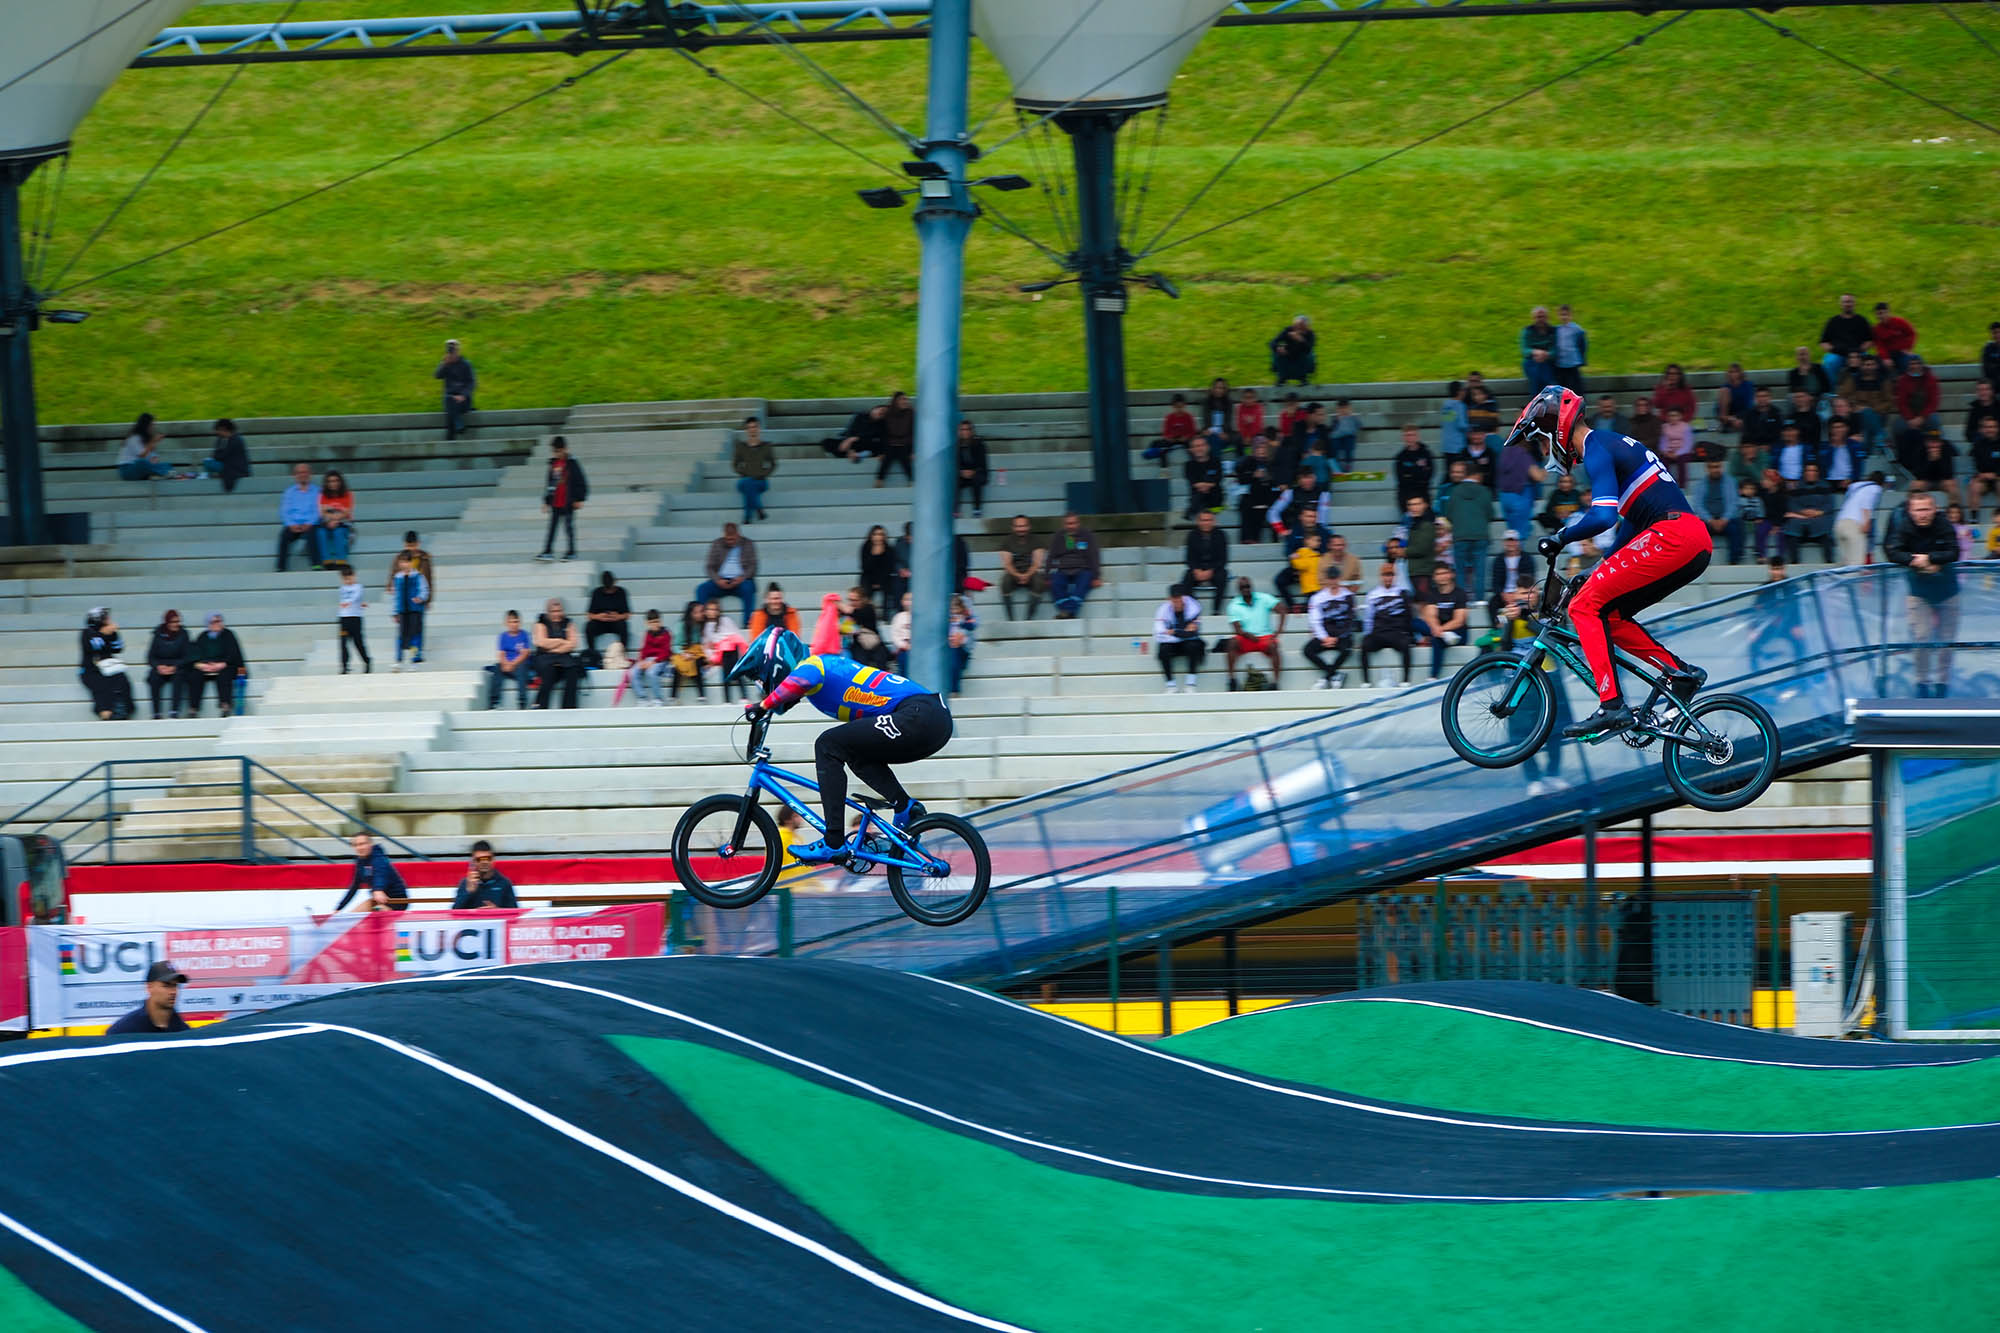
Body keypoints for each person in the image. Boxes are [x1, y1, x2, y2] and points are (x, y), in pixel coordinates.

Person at [1506, 386, 1710, 739]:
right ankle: (1680, 674)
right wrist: (1596, 567)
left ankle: (1611, 706)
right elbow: (1629, 525)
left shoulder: (1596, 447)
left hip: (1673, 536)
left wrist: (1560, 537)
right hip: (1687, 540)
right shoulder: (1613, 446)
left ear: (1555, 429)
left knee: (1583, 606)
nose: (1544, 453)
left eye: (1541, 443)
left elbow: (1603, 517)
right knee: (1608, 614)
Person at [738, 630, 953, 862]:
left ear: (778, 662)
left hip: (920, 714)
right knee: (854, 753)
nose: (765, 684)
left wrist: (763, 705)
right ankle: (905, 808)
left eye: (763, 678)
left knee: (827, 744)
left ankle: (833, 842)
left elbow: (800, 680)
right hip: (932, 721)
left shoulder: (814, 664)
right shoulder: (816, 689)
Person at [1884, 489, 1959, 697]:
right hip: (1919, 590)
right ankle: (1922, 683)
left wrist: (1931, 559)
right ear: (1911, 511)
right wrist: (1915, 561)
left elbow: (1954, 551)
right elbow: (1892, 551)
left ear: (1934, 509)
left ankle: (1942, 684)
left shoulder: (1943, 523)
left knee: (1947, 640)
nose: (1923, 514)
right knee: (1921, 637)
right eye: (1918, 510)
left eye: (1926, 509)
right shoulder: (1905, 526)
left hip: (1948, 591)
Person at [1441, 459, 1494, 603]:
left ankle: (1461, 600)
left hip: (1460, 536)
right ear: (1477, 475)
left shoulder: (1455, 491)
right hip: (1480, 535)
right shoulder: (1484, 491)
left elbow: (1449, 514)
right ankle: (1480, 599)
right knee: (1480, 569)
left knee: (1460, 570)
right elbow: (1490, 514)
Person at [1222, 575, 1284, 690]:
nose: (1245, 589)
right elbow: (1237, 630)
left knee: (1274, 646)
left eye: (1247, 586)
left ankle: (1275, 683)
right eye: (1242, 587)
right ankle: (1232, 680)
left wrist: (1278, 632)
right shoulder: (1233, 605)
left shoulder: (1263, 598)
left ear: (1252, 586)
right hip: (1246, 638)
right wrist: (1248, 635)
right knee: (1231, 643)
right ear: (1238, 589)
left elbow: (1282, 609)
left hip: (1265, 637)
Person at [1359, 562, 1415, 685]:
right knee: (1364, 645)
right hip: (1379, 633)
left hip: (1396, 632)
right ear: (1381, 576)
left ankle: (1405, 680)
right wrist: (1367, 633)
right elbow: (1368, 617)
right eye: (1385, 575)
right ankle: (1366, 681)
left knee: (1406, 645)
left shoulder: (1402, 593)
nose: (1388, 578)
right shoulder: (1372, 594)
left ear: (1395, 577)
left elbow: (1408, 615)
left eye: (1390, 575)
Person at [538, 436, 589, 562]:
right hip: (556, 502)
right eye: (555, 451)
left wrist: (579, 499)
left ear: (566, 449)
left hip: (568, 502)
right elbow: (550, 484)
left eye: (559, 451)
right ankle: (548, 551)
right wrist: (546, 501)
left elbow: (581, 481)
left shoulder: (572, 463)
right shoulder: (554, 464)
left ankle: (571, 552)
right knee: (552, 528)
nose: (557, 454)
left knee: (568, 527)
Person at [185, 613, 245, 718]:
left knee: (224, 675)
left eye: (219, 621)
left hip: (225, 665)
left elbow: (234, 654)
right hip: (206, 666)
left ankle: (225, 706)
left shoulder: (229, 634)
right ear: (208, 624)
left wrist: (222, 664)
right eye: (215, 622)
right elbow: (194, 654)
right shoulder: (202, 636)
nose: (218, 624)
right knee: (195, 675)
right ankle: (193, 708)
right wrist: (201, 665)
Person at [106, 961, 191, 1034]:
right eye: (166, 985)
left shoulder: (183, 1030)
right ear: (149, 987)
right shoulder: (124, 1029)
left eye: (175, 985)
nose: (173, 992)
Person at [79, 608, 133, 721]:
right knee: (102, 687)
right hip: (90, 670)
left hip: (109, 667)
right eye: (106, 618)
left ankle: (125, 709)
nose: (109, 620)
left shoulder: (110, 632)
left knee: (123, 681)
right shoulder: (87, 633)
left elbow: (118, 648)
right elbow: (93, 647)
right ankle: (105, 713)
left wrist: (114, 634)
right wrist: (103, 634)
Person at [698, 521, 758, 622]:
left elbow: (753, 566)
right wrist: (718, 580)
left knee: (749, 588)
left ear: (738, 535)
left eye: (733, 539)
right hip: (721, 581)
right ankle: (704, 621)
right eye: (727, 539)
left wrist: (742, 578)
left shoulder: (748, 544)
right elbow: (709, 567)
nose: (730, 541)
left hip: (741, 581)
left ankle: (747, 623)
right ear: (723, 535)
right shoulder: (717, 544)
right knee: (702, 589)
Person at [1689, 458, 1745, 565]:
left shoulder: (1730, 482)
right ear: (1707, 469)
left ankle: (1734, 561)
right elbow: (1698, 505)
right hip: (1708, 520)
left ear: (1722, 467)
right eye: (1712, 467)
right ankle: (1700, 563)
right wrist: (1710, 520)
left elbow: (1733, 503)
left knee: (1738, 526)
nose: (1715, 470)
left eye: (1717, 467)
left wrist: (1724, 519)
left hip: (1727, 520)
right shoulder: (1701, 484)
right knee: (1695, 529)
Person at [1046, 512, 1101, 619]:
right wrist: (1046, 575)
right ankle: (1069, 611)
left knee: (1085, 580)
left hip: (1082, 569)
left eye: (1073, 523)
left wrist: (1096, 576)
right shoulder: (1059, 536)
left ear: (1078, 523)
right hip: (1063, 569)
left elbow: (1093, 555)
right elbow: (1051, 556)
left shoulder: (1087, 535)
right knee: (1054, 583)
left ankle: (1067, 612)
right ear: (1064, 524)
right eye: (1068, 524)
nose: (1071, 526)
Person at [1419, 564, 1469, 680]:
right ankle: (1444, 636)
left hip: (1458, 632)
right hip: (1440, 631)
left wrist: (1440, 630)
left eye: (1444, 573)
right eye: (1438, 574)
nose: (1442, 577)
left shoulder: (1460, 593)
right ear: (1434, 577)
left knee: (1436, 639)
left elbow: (1459, 620)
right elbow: (1431, 616)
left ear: (1451, 574)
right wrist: (1438, 629)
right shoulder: (1433, 594)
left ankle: (1433, 676)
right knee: (1415, 623)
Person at [1152, 583, 1205, 693]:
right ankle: (1170, 685)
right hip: (1172, 643)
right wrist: (1182, 633)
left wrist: (1174, 632)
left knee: (1193, 645)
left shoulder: (1194, 607)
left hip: (1188, 643)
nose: (1177, 602)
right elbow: (1159, 634)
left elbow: (1193, 633)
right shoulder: (1162, 610)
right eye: (1174, 599)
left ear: (1183, 597)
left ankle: (1191, 683)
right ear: (1169, 599)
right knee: (1163, 649)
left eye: (1179, 598)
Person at [1303, 577, 1354, 689]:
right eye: (1331, 578)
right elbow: (1315, 620)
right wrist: (1324, 637)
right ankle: (1335, 674)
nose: (1333, 581)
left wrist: (1337, 637)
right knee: (1307, 650)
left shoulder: (1348, 596)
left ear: (1339, 579)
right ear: (1326, 580)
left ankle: (1326, 677)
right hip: (1325, 635)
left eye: (1335, 578)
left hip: (1342, 635)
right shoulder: (1317, 598)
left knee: (1347, 649)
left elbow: (1350, 619)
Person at [336, 832, 408, 911]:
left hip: (396, 901)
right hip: (377, 900)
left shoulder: (379, 859)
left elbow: (380, 873)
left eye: (362, 844)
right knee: (353, 916)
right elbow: (354, 887)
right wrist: (339, 908)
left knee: (377, 912)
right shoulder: (360, 862)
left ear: (370, 844)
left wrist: (378, 889)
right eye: (355, 845)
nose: (359, 848)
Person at [1783, 462, 1836, 562]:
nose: (1811, 473)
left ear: (1817, 472)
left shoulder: (1825, 485)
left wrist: (1819, 512)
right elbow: (1792, 504)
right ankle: (1794, 562)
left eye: (1814, 470)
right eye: (1808, 470)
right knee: (1791, 526)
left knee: (1825, 527)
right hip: (1801, 519)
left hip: (1819, 518)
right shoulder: (1797, 486)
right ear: (1804, 472)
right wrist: (1803, 512)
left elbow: (1829, 504)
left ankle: (1829, 562)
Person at [997, 515, 1045, 620]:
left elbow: (1037, 563)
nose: (1021, 529)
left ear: (1029, 526)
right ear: (1013, 527)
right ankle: (1011, 619)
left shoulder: (1036, 540)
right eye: (1018, 526)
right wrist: (1018, 575)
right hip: (1014, 573)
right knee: (1005, 581)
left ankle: (1028, 619)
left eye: (1023, 526)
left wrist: (1027, 575)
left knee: (1039, 582)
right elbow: (1007, 564)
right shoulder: (1007, 541)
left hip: (1031, 573)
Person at [1819, 293, 1874, 384]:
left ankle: (1862, 388)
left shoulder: (1862, 320)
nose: (1848, 304)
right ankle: (1834, 392)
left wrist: (1860, 350)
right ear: (1841, 304)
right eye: (1845, 302)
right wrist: (1833, 349)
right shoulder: (1833, 321)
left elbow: (1870, 340)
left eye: (1850, 302)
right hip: (1838, 353)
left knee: (1867, 363)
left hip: (1858, 352)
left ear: (1854, 304)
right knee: (1830, 362)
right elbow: (1823, 342)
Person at [145, 609, 191, 718]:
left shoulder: (184, 634)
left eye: (178, 621)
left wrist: (175, 666)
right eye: (173, 622)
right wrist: (158, 666)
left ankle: (174, 711)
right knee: (153, 678)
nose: (176, 624)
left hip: (177, 666)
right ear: (167, 622)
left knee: (179, 677)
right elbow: (150, 656)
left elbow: (187, 656)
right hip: (161, 666)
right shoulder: (158, 634)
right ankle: (156, 712)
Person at [276, 462, 321, 570]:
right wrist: (291, 524)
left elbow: (318, 510)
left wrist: (310, 523)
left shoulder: (318, 491)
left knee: (313, 535)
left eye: (305, 472)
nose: (302, 475)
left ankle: (316, 565)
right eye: (299, 472)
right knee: (283, 536)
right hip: (294, 525)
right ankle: (281, 567)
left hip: (311, 524)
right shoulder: (289, 492)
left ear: (310, 474)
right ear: (295, 475)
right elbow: (285, 511)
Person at [1183, 509, 1229, 613]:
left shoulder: (1221, 535)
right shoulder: (1192, 535)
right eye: (1203, 520)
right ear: (1198, 522)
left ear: (1214, 521)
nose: (1206, 523)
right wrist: (1196, 570)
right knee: (1186, 579)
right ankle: (1196, 608)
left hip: (1215, 569)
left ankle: (1216, 610)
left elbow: (1223, 559)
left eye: (1209, 520)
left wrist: (1211, 570)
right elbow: (1189, 558)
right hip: (1198, 568)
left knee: (1223, 576)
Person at [732, 416, 776, 523]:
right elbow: (735, 464)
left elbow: (773, 464)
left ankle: (747, 517)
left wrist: (763, 474)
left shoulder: (766, 446)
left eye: (755, 427)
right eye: (749, 427)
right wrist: (745, 472)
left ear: (759, 428)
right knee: (747, 482)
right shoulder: (741, 446)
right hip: (744, 479)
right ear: (746, 430)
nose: (752, 429)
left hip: (761, 481)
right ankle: (759, 509)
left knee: (749, 485)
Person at [390, 552, 430, 670]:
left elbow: (424, 590)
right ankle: (398, 660)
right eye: (402, 562)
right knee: (401, 636)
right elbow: (396, 596)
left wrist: (420, 598)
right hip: (402, 610)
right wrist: (395, 611)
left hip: (414, 610)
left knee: (415, 635)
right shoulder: (397, 577)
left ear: (412, 562)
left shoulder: (418, 576)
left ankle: (414, 661)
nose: (404, 564)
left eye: (407, 561)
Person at [1836, 472, 1885, 565]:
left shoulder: (1855, 487)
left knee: (1845, 566)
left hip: (1840, 523)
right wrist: (1867, 522)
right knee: (1856, 566)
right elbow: (1867, 502)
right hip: (1854, 525)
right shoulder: (1875, 488)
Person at [452, 841, 519, 909]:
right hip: (473, 919)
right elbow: (455, 912)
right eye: (479, 859)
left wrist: (497, 911)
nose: (484, 862)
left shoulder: (504, 883)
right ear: (473, 862)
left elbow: (515, 912)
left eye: (488, 858)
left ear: (493, 860)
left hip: (496, 919)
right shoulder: (466, 883)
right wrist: (468, 892)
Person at [487, 609, 532, 709]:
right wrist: (505, 664)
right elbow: (501, 653)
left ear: (520, 622)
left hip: (519, 664)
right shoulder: (503, 636)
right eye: (510, 622)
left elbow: (525, 653)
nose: (513, 624)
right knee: (497, 668)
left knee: (522, 668)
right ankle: (494, 701)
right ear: (506, 623)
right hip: (507, 665)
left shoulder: (523, 635)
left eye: (516, 621)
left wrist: (512, 664)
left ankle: (522, 701)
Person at [630, 609, 674, 706]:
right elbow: (644, 649)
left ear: (660, 621)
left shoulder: (666, 633)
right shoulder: (647, 633)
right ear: (647, 623)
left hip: (661, 660)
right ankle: (642, 698)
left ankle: (658, 698)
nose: (655, 624)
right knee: (633, 672)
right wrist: (641, 661)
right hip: (647, 659)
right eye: (651, 622)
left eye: (656, 621)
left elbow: (665, 652)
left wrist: (653, 662)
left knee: (651, 672)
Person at [585, 569, 632, 661]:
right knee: (589, 626)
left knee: (624, 625)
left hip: (616, 622)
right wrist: (599, 616)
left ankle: (623, 653)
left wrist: (618, 616)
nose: (609, 591)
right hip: (601, 622)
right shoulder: (597, 592)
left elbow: (627, 615)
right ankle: (592, 653)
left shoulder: (621, 592)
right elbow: (589, 615)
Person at [435, 338, 476, 438]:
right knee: (449, 400)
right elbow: (437, 376)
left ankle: (451, 436)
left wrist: (463, 395)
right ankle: (458, 425)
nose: (452, 353)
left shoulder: (466, 364)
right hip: (450, 399)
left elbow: (471, 383)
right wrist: (444, 364)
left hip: (464, 401)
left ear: (458, 350)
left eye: (454, 350)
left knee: (450, 407)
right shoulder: (446, 364)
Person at [336, 564, 371, 674]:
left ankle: (366, 660)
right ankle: (344, 666)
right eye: (345, 579)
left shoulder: (358, 587)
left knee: (358, 643)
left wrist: (349, 603)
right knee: (343, 643)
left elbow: (356, 596)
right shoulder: (342, 588)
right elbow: (345, 599)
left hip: (355, 618)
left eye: (350, 578)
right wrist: (357, 603)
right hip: (344, 618)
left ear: (354, 576)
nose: (348, 581)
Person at [116, 413, 173, 480]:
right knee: (141, 463)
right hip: (127, 470)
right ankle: (162, 473)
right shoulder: (133, 438)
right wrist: (153, 441)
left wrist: (154, 459)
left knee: (167, 465)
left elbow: (153, 459)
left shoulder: (147, 439)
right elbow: (142, 455)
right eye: (151, 425)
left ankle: (157, 475)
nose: (153, 428)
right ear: (145, 425)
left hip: (142, 470)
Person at [875, 391, 915, 487]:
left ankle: (912, 481)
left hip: (905, 443)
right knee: (886, 459)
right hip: (890, 444)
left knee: (905, 459)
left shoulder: (911, 413)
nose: (906, 401)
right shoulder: (888, 413)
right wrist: (881, 452)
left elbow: (913, 433)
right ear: (896, 401)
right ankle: (879, 481)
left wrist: (913, 451)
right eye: (903, 399)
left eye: (906, 399)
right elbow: (883, 433)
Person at [1392, 425, 1435, 514]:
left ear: (1417, 436)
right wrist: (1418, 471)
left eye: (1412, 435)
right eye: (1407, 435)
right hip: (1406, 495)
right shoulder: (1400, 457)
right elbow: (1401, 478)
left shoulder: (1426, 454)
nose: (1409, 438)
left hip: (1423, 493)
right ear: (1403, 437)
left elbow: (1429, 474)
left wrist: (1411, 473)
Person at [317, 470, 355, 567]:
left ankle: (341, 561)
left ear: (340, 482)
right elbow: (321, 512)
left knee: (338, 532)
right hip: (327, 524)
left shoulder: (348, 494)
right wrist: (333, 517)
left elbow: (347, 513)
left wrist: (332, 515)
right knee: (321, 533)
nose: (333, 483)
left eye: (335, 481)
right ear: (327, 483)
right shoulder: (323, 495)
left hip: (344, 523)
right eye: (330, 481)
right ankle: (327, 562)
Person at [204, 418, 250, 492]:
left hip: (236, 469)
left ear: (223, 429)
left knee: (209, 463)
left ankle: (215, 476)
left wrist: (219, 447)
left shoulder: (236, 440)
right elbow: (215, 455)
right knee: (208, 462)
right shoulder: (223, 439)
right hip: (227, 466)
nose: (217, 433)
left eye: (218, 430)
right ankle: (214, 476)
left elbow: (221, 456)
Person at [955, 420, 990, 516]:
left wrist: (973, 471)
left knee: (976, 479)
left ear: (971, 431)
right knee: (954, 479)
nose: (965, 432)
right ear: (959, 431)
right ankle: (956, 510)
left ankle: (977, 509)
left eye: (967, 429)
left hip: (978, 473)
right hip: (963, 475)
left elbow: (982, 464)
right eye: (962, 429)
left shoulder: (979, 444)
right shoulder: (956, 445)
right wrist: (961, 472)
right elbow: (955, 463)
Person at [1183, 436, 1223, 518]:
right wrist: (1207, 485)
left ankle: (1192, 511)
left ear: (1208, 447)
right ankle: (1197, 512)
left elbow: (1218, 479)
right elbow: (1193, 482)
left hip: (1215, 499)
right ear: (1191, 450)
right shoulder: (1189, 465)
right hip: (1198, 499)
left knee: (1207, 481)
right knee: (1199, 498)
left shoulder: (1216, 461)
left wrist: (1206, 485)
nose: (1199, 448)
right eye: (1196, 446)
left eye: (1202, 445)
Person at [1270, 315, 1317, 385]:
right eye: (1296, 326)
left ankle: (1303, 378)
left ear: (1307, 327)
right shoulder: (1287, 330)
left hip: (1301, 356)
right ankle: (1282, 378)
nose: (1298, 329)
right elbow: (1273, 342)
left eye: (1302, 327)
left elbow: (1309, 349)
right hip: (1287, 354)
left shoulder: (1310, 334)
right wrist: (1278, 348)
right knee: (1278, 354)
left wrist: (1301, 340)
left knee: (1307, 356)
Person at [1519, 306, 1557, 392]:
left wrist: (1546, 355)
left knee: (1544, 371)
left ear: (1547, 318)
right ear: (1533, 318)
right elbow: (1525, 350)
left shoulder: (1553, 331)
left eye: (1543, 317)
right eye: (1538, 317)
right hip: (1532, 362)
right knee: (1537, 372)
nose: (1541, 319)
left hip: (1548, 362)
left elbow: (1555, 351)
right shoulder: (1528, 331)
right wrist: (1536, 352)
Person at [1551, 304, 1588, 392]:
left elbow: (1582, 344)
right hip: (1560, 365)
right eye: (1562, 315)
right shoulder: (1557, 329)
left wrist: (1581, 359)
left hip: (1572, 365)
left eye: (1566, 315)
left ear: (1570, 316)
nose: (1564, 317)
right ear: (1558, 316)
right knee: (1561, 389)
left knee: (1575, 389)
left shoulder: (1577, 329)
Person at [1872, 301, 1917, 370]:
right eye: (1878, 314)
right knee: (1876, 364)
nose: (1881, 316)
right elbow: (1880, 346)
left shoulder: (1899, 322)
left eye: (1882, 313)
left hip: (1902, 352)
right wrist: (1885, 358)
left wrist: (1908, 348)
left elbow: (1912, 334)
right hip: (1888, 354)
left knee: (1911, 362)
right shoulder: (1877, 329)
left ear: (1889, 312)